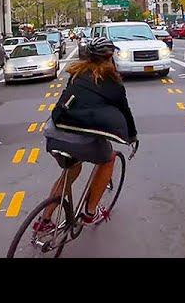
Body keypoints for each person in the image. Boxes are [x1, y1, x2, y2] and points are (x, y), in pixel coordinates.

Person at [34, 37, 138, 232]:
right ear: (110, 57)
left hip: (54, 133)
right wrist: (131, 137)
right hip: (80, 137)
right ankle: (90, 213)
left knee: (71, 170)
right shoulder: (112, 83)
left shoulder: (76, 74)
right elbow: (125, 111)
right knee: (108, 159)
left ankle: (44, 221)